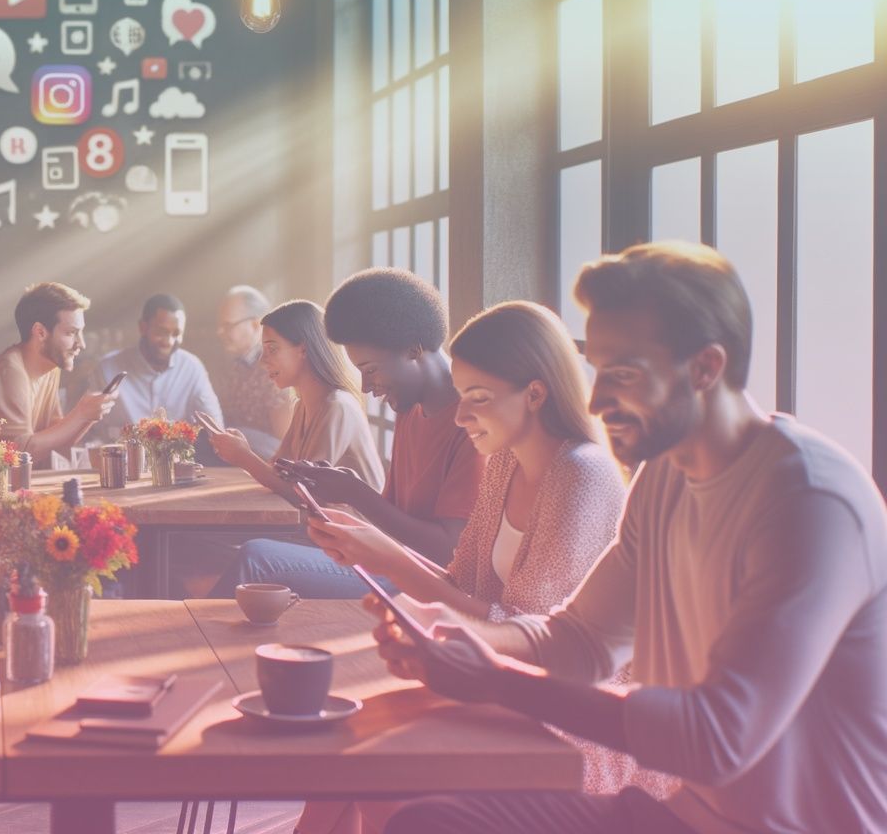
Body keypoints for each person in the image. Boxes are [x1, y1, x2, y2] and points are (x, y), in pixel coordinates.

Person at [374, 243, 887, 834]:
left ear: (705, 368)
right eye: (598, 371)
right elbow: (581, 643)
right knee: (428, 819)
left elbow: (716, 740)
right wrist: (453, 638)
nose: (595, 400)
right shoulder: (665, 474)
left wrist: (493, 678)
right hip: (675, 812)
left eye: (622, 374)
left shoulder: (809, 502)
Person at [292, 301, 655, 834]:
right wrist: (370, 548)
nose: (461, 417)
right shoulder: (506, 461)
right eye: (461, 398)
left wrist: (389, 556)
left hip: (575, 713)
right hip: (504, 684)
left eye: (477, 400)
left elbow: (520, 636)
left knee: (378, 755)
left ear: (535, 393)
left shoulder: (582, 474)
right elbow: (458, 587)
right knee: (357, 737)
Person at [216, 269, 481, 598]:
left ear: (414, 351)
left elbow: (446, 554)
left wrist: (355, 494)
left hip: (421, 582)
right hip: (386, 559)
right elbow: (391, 519)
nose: (367, 388)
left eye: (370, 370)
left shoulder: (473, 425)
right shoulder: (410, 411)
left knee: (257, 558)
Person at [205, 300, 384, 506]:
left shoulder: (338, 406)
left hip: (359, 532)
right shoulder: (302, 406)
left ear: (303, 350)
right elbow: (278, 472)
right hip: (326, 528)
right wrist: (242, 450)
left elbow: (306, 495)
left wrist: (244, 456)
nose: (263, 361)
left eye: (272, 349)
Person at [0, 282, 116, 467]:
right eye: (71, 333)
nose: (81, 344)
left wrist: (89, 416)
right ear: (40, 332)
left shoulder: (50, 367)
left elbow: (56, 443)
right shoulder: (11, 370)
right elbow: (18, 453)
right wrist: (81, 415)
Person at [89, 293, 223, 442]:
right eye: (162, 332)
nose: (169, 341)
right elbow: (90, 430)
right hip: (122, 462)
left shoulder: (192, 368)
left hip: (174, 463)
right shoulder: (107, 369)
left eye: (176, 333)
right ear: (143, 327)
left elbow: (216, 428)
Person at [214, 285, 297, 455]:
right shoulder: (236, 365)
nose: (221, 332)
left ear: (254, 325)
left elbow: (287, 442)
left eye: (229, 326)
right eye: (221, 326)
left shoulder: (275, 366)